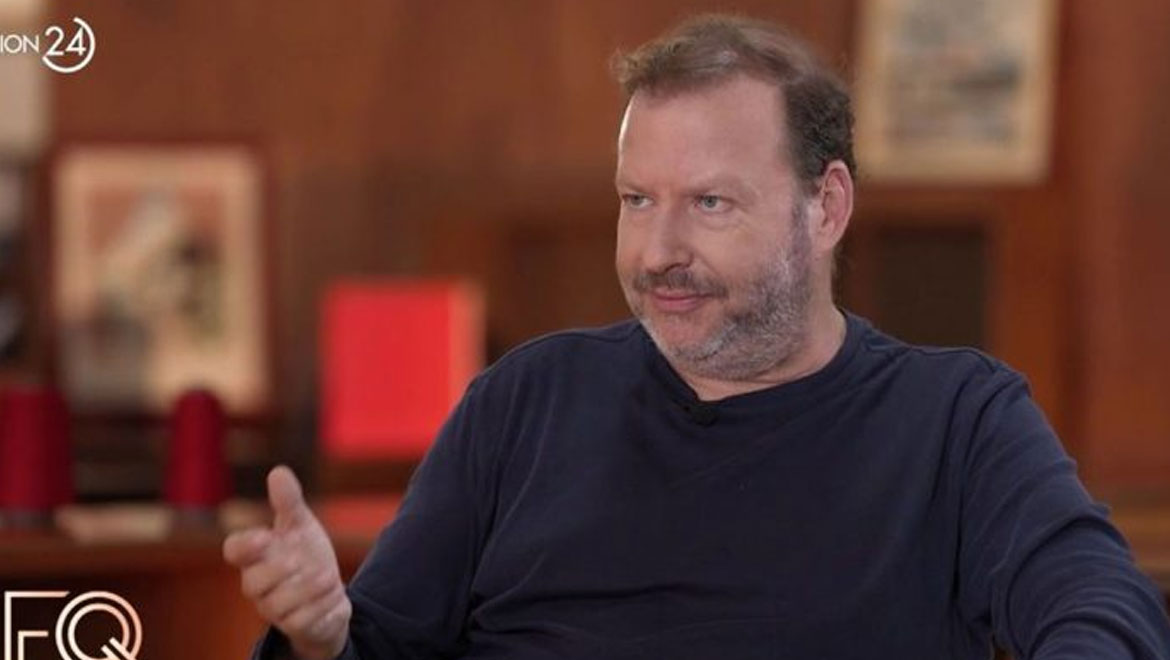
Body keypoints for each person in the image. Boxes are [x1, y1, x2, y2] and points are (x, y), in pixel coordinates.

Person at [223, 14, 1170, 660]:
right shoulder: (523, 402)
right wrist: (323, 634)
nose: (659, 253)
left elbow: (1102, 607)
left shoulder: (957, 420)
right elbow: (378, 645)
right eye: (638, 201)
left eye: (711, 203)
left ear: (826, 206)